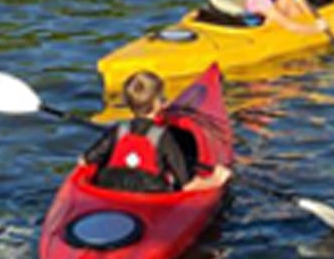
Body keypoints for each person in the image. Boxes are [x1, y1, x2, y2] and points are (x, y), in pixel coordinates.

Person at [81, 70, 230, 194]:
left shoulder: (117, 130)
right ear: (157, 103)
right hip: (151, 195)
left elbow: (84, 160)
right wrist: (215, 179)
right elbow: (186, 186)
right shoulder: (164, 137)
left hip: (111, 186)